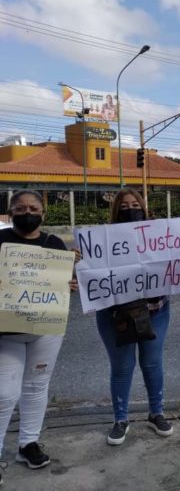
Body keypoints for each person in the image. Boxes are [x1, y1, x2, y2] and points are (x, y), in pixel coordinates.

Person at [95, 188, 180, 446]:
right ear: (115, 211)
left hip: (156, 311)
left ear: (144, 208)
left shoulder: (160, 235)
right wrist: (79, 260)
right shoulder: (103, 238)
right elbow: (90, 272)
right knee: (121, 367)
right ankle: (120, 419)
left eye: (134, 204)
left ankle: (157, 413)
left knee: (152, 363)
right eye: (123, 206)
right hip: (116, 314)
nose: (130, 209)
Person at [0, 190, 78, 485]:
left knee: (36, 387)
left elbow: (62, 282)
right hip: (6, 332)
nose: (27, 212)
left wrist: (69, 281)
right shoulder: (1, 241)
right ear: (10, 212)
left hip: (45, 330)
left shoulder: (55, 244)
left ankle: (27, 444)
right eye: (20, 208)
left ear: (43, 214)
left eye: (33, 208)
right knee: (4, 394)